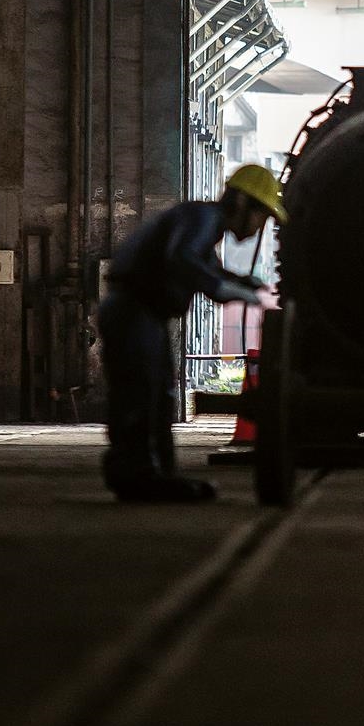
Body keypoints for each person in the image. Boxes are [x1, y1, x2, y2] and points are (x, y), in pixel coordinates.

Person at [98, 164, 284, 502]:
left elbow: (204, 267)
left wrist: (242, 282)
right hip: (134, 310)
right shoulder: (204, 218)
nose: (260, 228)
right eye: (262, 217)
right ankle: (138, 474)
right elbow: (183, 260)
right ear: (243, 203)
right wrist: (229, 289)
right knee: (142, 394)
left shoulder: (201, 222)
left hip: (142, 313)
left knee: (158, 396)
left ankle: (155, 475)